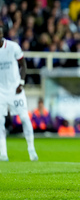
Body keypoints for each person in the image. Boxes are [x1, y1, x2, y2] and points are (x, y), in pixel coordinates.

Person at [0, 26, 38, 161]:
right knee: (0, 121)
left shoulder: (12, 47)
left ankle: (31, 149)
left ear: (1, 34)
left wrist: (21, 82)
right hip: (1, 92)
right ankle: (3, 154)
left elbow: (23, 64)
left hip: (16, 89)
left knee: (25, 118)